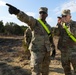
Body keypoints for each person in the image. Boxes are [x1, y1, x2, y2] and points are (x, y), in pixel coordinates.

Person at [6, 3, 55, 75]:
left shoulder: (49, 27)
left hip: (46, 52)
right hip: (36, 52)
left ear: (46, 15)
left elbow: (50, 37)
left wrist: (53, 47)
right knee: (36, 72)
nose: (42, 14)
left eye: (43, 13)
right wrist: (17, 12)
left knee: (45, 71)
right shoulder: (35, 23)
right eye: (40, 12)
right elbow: (27, 19)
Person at [57, 9, 76, 75]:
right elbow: (56, 34)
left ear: (70, 16)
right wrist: (58, 25)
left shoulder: (74, 24)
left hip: (74, 52)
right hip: (64, 53)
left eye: (65, 16)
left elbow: (74, 33)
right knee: (67, 71)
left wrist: (67, 24)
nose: (63, 17)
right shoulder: (61, 25)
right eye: (62, 16)